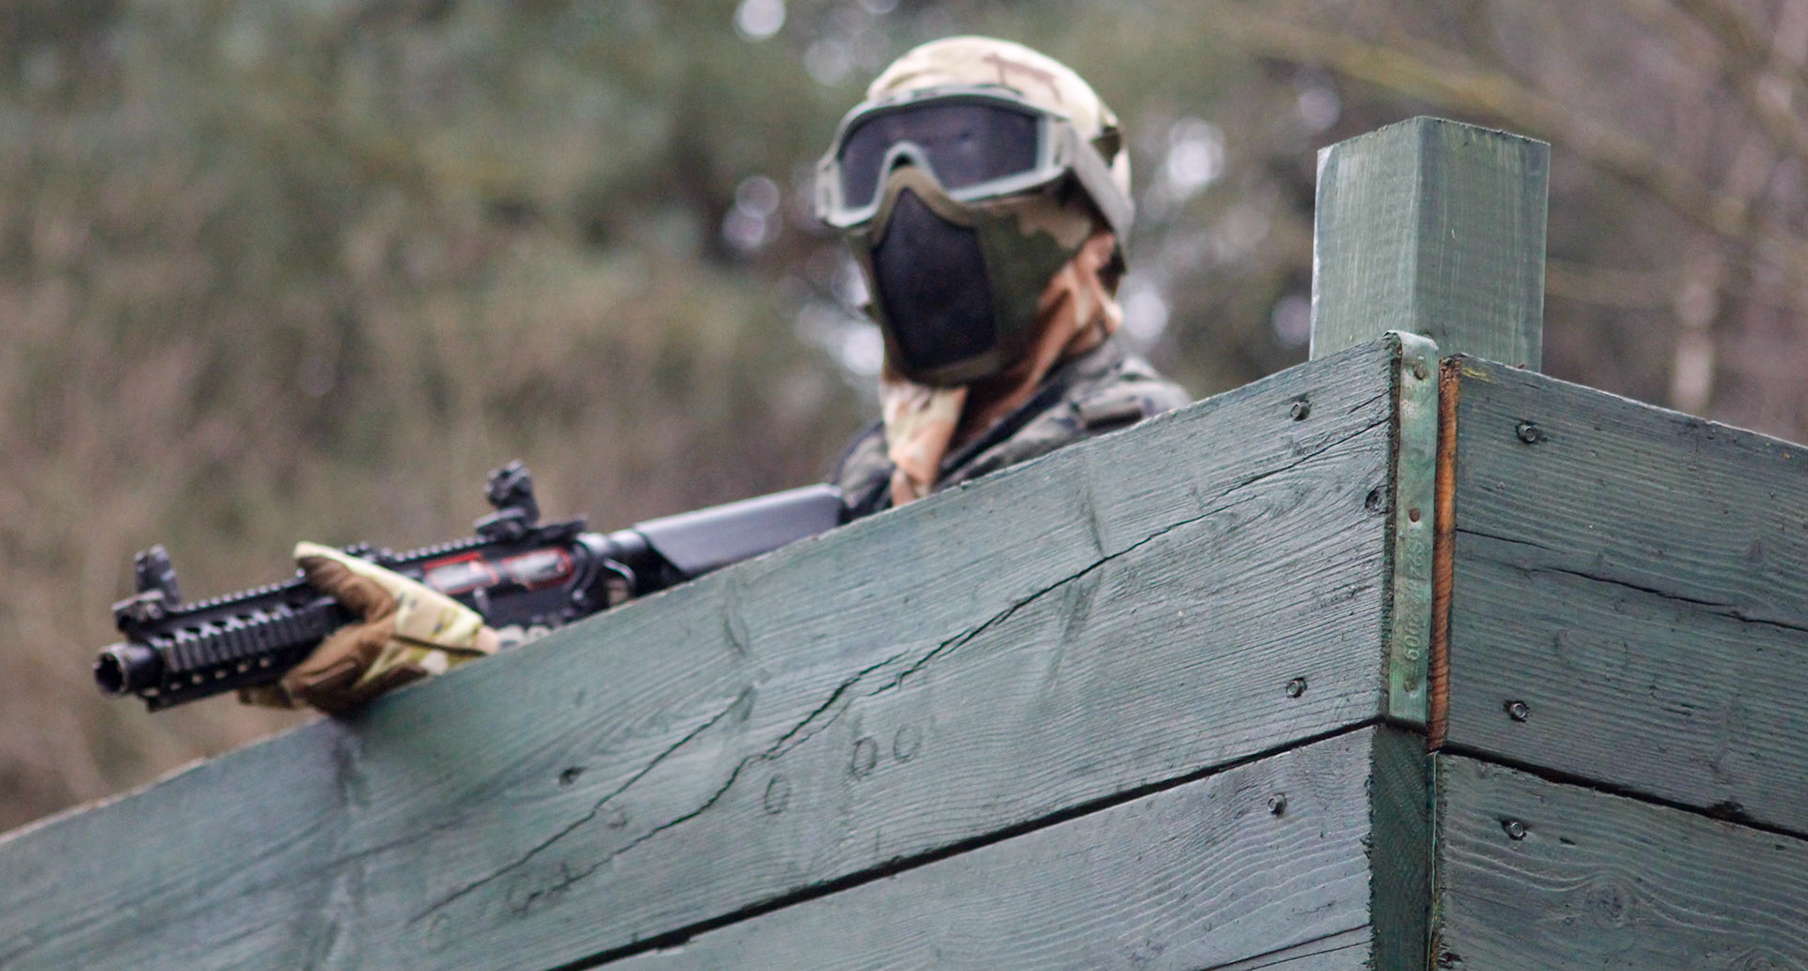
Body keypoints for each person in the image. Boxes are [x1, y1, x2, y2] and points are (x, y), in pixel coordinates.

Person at [247, 36, 1188, 713]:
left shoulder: (1138, 446)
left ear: (1091, 224)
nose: (914, 201)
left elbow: (917, 674)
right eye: (876, 172)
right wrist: (481, 652)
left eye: (972, 159)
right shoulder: (878, 479)